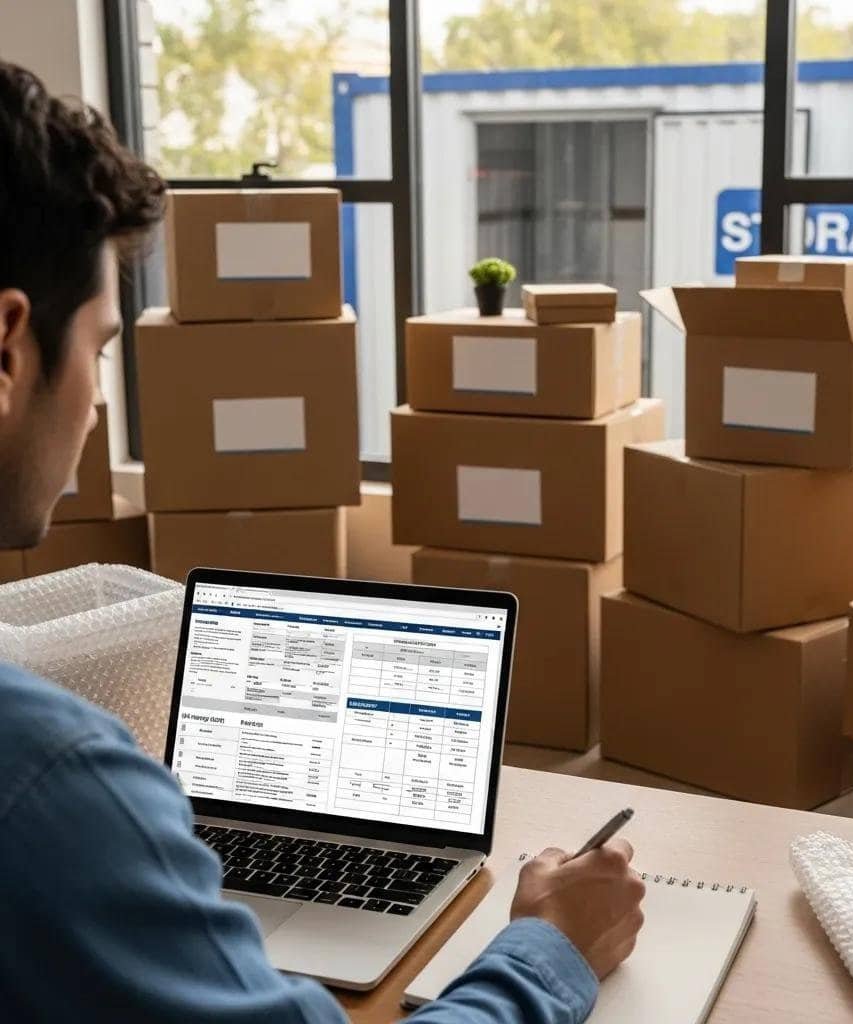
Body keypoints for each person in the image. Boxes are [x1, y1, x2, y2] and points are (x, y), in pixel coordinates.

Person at [0, 62, 645, 1022]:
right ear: (8, 350)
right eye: (97, 349)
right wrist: (547, 951)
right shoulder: (51, 781)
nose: (97, 403)